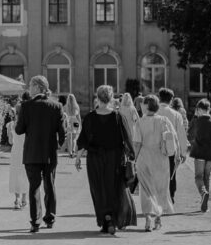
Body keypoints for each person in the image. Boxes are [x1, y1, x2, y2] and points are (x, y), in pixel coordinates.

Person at [74, 85, 137, 235]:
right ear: (111, 99)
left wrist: (77, 157)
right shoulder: (117, 116)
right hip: (114, 158)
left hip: (95, 159)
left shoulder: (90, 117)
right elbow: (127, 138)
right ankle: (113, 220)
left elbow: (83, 140)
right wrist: (132, 156)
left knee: (98, 189)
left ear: (97, 97)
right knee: (113, 188)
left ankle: (105, 219)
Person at [15, 76, 66, 233]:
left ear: (37, 87)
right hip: (49, 153)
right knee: (49, 185)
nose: (29, 88)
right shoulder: (56, 106)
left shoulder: (26, 106)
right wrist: (57, 144)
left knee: (34, 187)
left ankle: (35, 222)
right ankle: (50, 218)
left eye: (30, 85)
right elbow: (62, 133)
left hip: (31, 153)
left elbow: (19, 130)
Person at [135, 95, 177, 231]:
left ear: (147, 106)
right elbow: (173, 138)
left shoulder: (140, 122)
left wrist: (133, 159)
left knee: (146, 189)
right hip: (161, 157)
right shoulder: (164, 120)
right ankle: (158, 218)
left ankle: (148, 217)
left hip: (144, 157)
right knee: (160, 188)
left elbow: (136, 143)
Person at [188, 98, 211, 212]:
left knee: (198, 177)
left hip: (199, 154)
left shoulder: (196, 122)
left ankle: (203, 192)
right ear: (209, 109)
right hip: (210, 155)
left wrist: (194, 116)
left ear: (198, 109)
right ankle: (205, 205)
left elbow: (189, 131)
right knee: (207, 177)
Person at [157, 88, 189, 203]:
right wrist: (183, 152)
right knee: (171, 174)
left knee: (157, 174)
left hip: (155, 149)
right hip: (171, 149)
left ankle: (158, 197)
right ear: (171, 100)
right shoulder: (176, 114)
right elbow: (181, 134)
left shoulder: (153, 112)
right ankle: (171, 196)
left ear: (159, 98)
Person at [7, 92, 30, 210]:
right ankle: (25, 198)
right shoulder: (29, 125)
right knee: (26, 173)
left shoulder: (11, 125)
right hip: (26, 151)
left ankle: (17, 199)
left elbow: (11, 142)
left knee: (15, 174)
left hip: (16, 151)